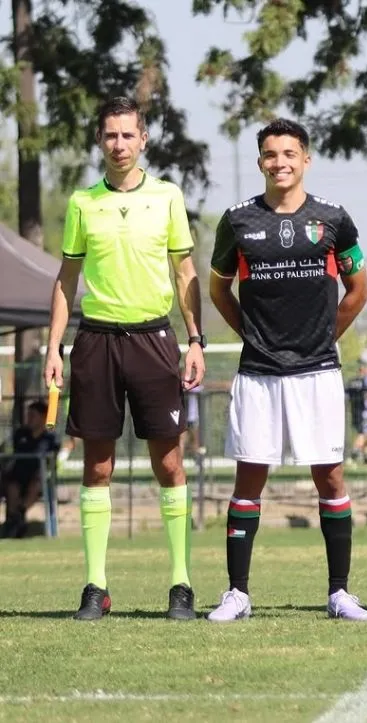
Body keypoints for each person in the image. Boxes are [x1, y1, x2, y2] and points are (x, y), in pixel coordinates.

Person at [43, 96, 205, 621]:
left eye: (127, 135)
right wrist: (54, 347)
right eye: (110, 135)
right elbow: (67, 280)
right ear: (100, 141)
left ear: (143, 140)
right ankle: (96, 587)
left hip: (154, 341)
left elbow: (185, 275)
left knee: (169, 462)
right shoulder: (82, 203)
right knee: (98, 465)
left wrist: (196, 339)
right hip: (96, 342)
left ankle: (180, 584)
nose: (119, 144)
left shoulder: (167, 197)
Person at [207, 118, 367, 622]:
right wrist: (252, 336)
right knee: (249, 476)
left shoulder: (334, 219)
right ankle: (238, 593)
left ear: (306, 159)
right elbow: (218, 290)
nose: (280, 162)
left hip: (317, 372)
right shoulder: (237, 222)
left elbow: (358, 289)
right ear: (261, 162)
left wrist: (326, 337)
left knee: (331, 476)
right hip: (258, 372)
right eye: (271, 155)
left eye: (289, 153)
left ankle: (340, 593)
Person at [1, 401, 60, 538]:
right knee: (12, 487)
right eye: (28, 415)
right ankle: (14, 522)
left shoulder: (50, 439)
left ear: (43, 417)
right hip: (18, 476)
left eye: (32, 415)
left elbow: (52, 460)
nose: (29, 418)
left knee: (36, 483)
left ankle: (18, 516)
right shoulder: (20, 434)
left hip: (38, 479)